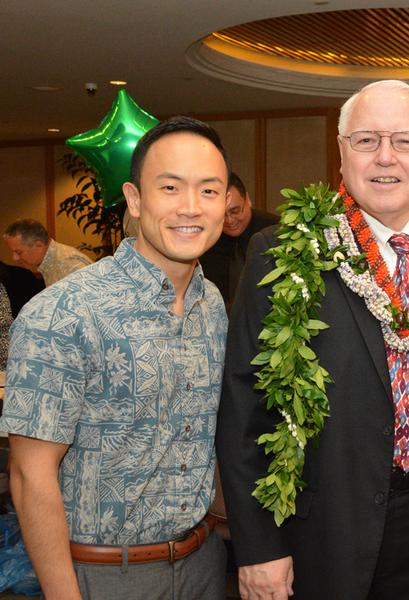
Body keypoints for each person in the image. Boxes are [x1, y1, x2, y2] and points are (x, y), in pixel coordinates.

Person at [218, 79, 409, 600]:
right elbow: (243, 409)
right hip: (325, 533)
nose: (385, 157)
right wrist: (258, 547)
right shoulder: (283, 255)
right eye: (366, 140)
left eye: (405, 141)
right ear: (342, 154)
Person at [0, 116, 231, 599]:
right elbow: (29, 474)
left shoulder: (212, 305)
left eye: (209, 191)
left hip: (205, 564)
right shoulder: (64, 311)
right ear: (135, 198)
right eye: (170, 187)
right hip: (104, 577)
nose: (191, 207)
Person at [199, 172, 278, 309]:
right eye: (222, 215)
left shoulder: (273, 231)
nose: (229, 220)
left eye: (235, 211)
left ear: (247, 199)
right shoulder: (205, 237)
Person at [4, 219, 93, 285]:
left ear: (39, 245)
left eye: (19, 252)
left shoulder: (68, 263)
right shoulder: (51, 263)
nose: (14, 258)